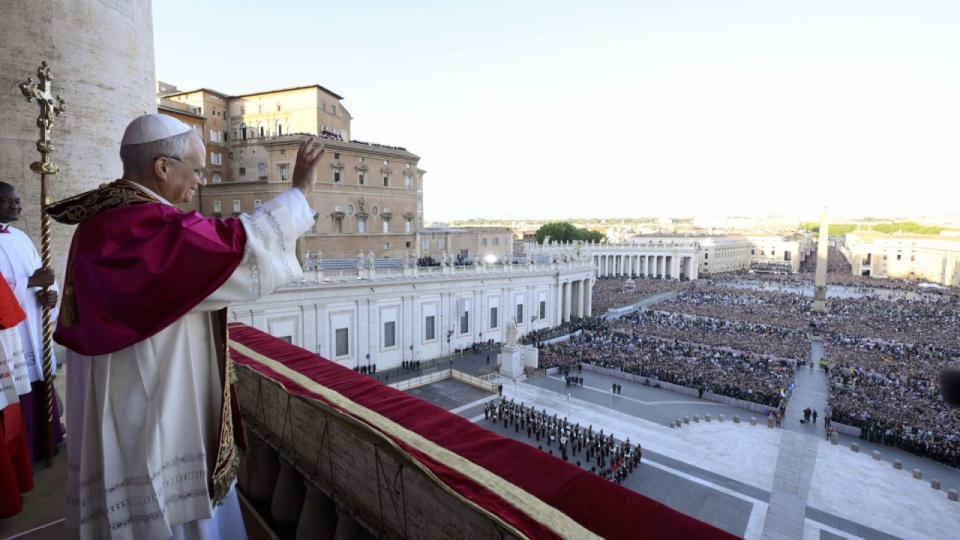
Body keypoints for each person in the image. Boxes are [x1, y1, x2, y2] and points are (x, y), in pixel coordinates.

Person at [49, 114, 325, 539]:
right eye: (195, 170)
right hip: (156, 396)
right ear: (162, 167)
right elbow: (240, 246)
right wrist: (299, 192)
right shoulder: (148, 226)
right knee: (170, 508)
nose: (199, 181)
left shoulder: (102, 221)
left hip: (122, 387)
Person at [0, 181, 63, 461]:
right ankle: (24, 450)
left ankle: (47, 439)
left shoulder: (21, 237)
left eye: (17, 201)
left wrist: (49, 295)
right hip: (10, 331)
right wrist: (29, 282)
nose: (16, 205)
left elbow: (44, 275)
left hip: (34, 323)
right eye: (7, 201)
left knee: (39, 376)